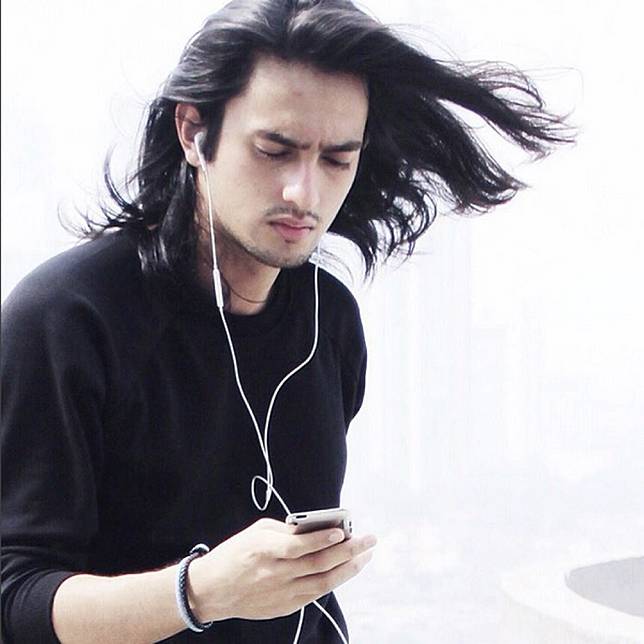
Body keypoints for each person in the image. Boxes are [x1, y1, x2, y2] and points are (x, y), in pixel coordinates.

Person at [0, 0, 573, 642]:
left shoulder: (332, 321)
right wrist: (201, 591)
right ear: (193, 132)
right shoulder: (65, 319)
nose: (305, 193)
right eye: (275, 150)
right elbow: (14, 601)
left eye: (337, 160)